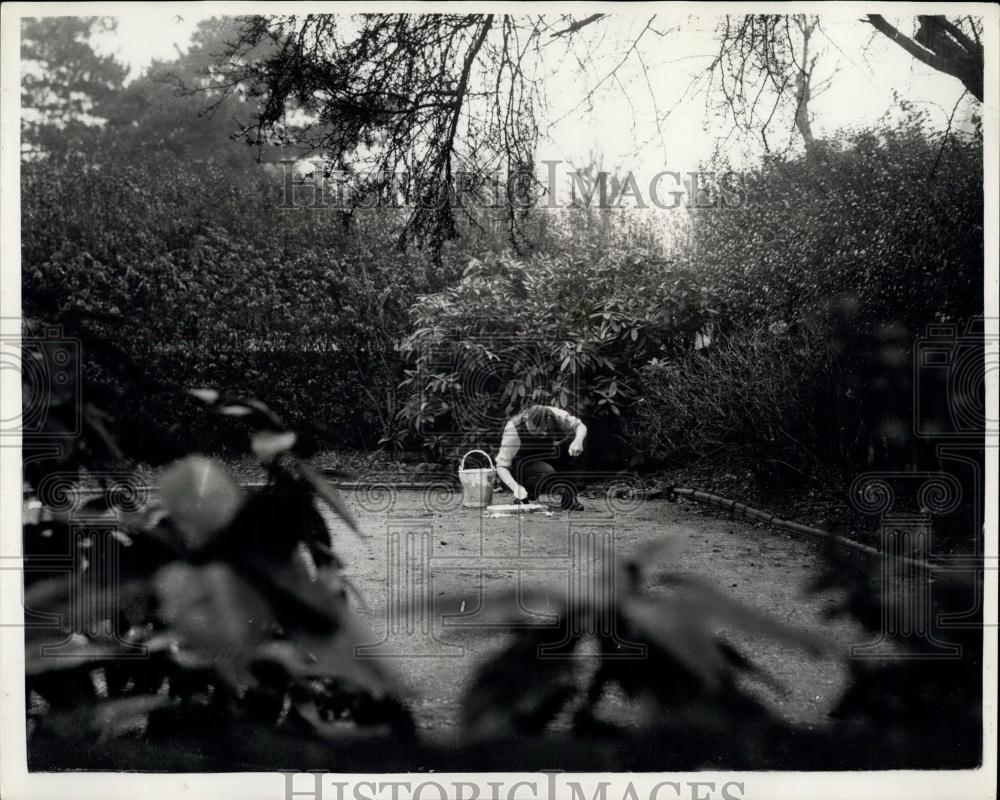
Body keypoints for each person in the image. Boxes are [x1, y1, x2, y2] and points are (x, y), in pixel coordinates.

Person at [495, 404, 588, 511]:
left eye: (544, 429)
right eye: (535, 430)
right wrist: (515, 487)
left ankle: (570, 497)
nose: (542, 433)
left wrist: (578, 441)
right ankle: (525, 493)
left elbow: (580, 426)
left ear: (548, 420)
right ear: (526, 420)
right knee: (547, 472)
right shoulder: (513, 429)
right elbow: (501, 466)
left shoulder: (555, 414)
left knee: (576, 442)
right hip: (523, 464)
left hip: (547, 454)